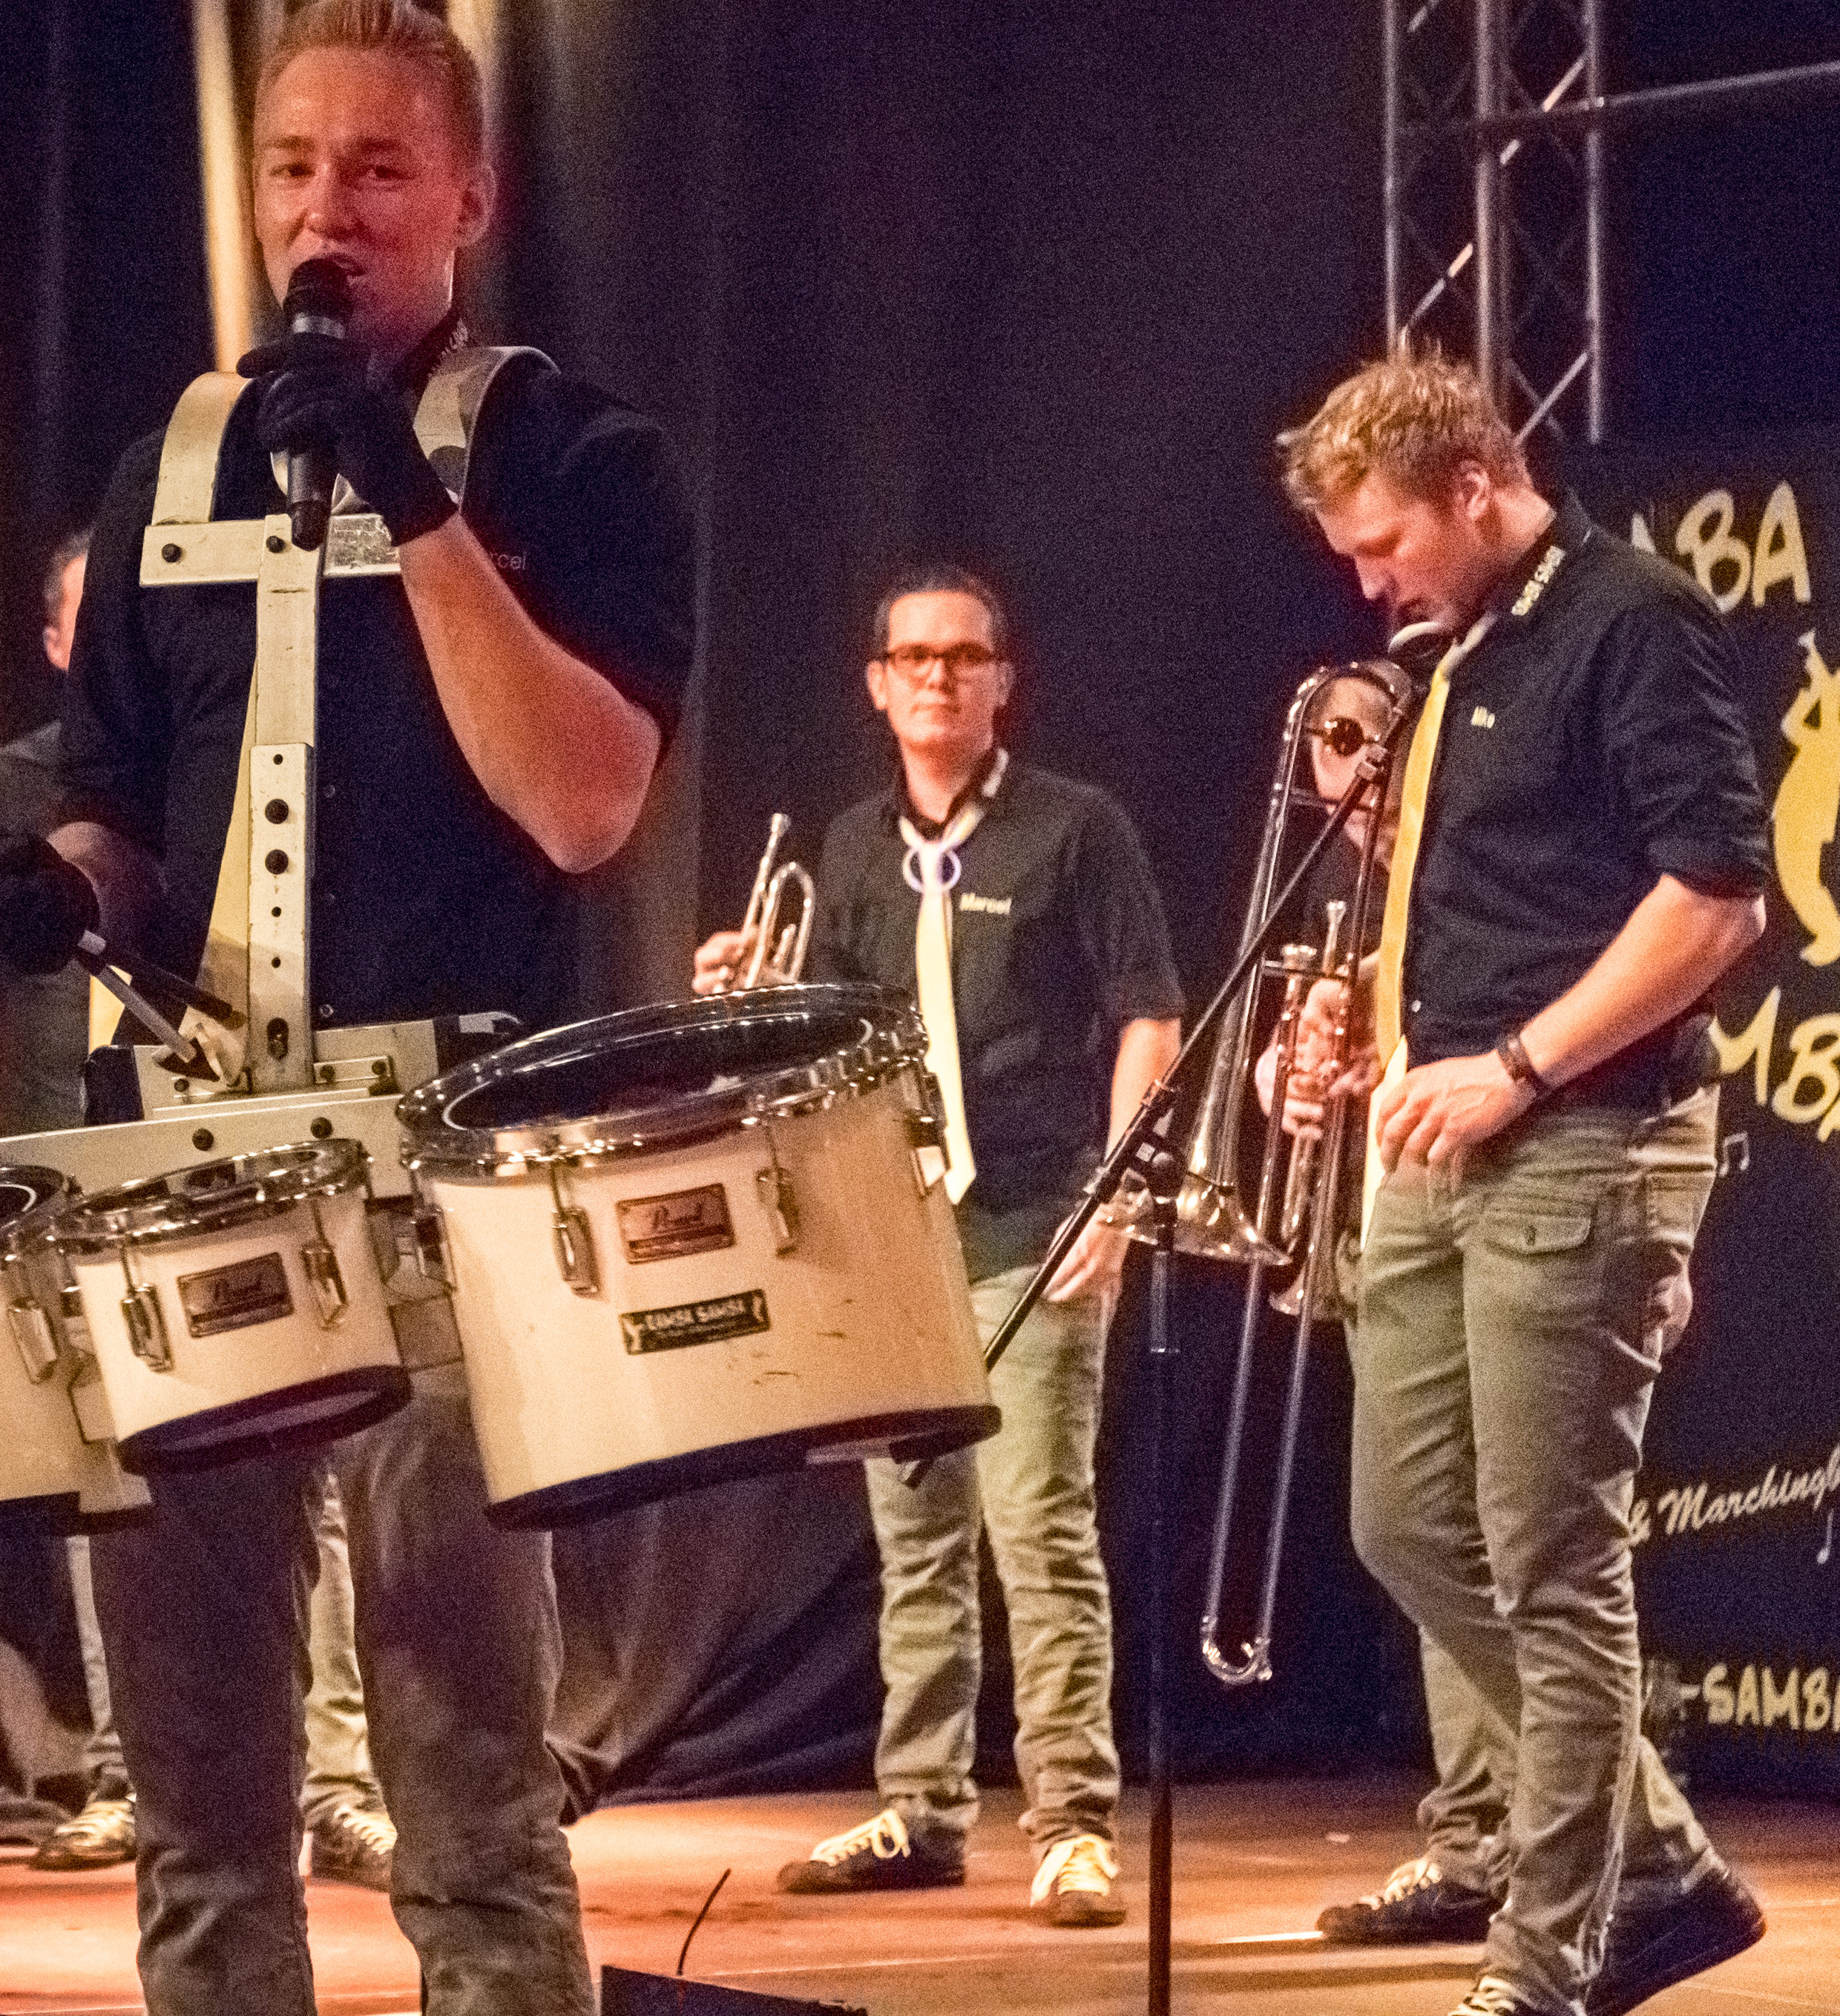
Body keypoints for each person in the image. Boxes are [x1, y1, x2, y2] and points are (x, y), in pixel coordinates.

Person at [0, 0, 694, 2016]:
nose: (327, 209)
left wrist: (407, 498)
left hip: (447, 1173)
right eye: (293, 166)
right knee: (199, 1801)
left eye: (378, 168)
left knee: (466, 1787)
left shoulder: (585, 461)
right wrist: (54, 884)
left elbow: (581, 803)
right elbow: (121, 803)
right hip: (192, 1166)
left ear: (469, 197)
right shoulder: (165, 472)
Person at [1278, 350, 1770, 2016]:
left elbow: (1715, 901)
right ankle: (1664, 1864)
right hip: (1441, 1135)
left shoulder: (1631, 617)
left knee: (1556, 1565)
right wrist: (1369, 1029)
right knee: (1403, 1524)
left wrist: (1518, 1063)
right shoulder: (1456, 652)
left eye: (1381, 543)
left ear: (1477, 485)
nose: (1367, 583)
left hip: (1578, 1136)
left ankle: (1551, 1956)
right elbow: (1501, 896)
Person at [0, 530, 398, 1891]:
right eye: (89, 617)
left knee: (295, 1453)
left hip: (198, 1145)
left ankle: (336, 1782)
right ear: (55, 640)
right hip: (50, 1171)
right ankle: (129, 1775)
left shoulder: (217, 756)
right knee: (108, 1475)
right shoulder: (10, 782)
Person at [703, 568, 1181, 1928]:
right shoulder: (851, 845)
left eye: (962, 656)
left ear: (1001, 681)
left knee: (1037, 1530)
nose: (935, 676)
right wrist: (749, 995)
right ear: (875, 684)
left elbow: (1149, 1013)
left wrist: (1115, 1195)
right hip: (895, 1233)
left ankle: (1072, 1821)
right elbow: (822, 1046)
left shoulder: (1074, 828)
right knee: (911, 1540)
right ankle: (919, 1807)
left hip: (1035, 1217)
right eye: (911, 656)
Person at [1274, 665, 1521, 1951]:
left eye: (1372, 770)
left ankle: (1570, 1819)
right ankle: (1478, 1837)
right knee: (1422, 1536)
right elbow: (1298, 1071)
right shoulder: (1350, 887)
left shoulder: (1485, 857)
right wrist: (1292, 1073)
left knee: (1495, 1536)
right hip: (1387, 1222)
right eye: (1333, 771)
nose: (1358, 810)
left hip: (1499, 1218)